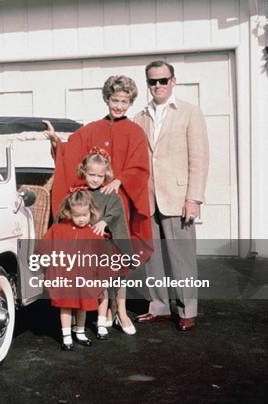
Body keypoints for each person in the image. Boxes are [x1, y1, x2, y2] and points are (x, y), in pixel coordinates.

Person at [133, 60, 209, 331]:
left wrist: (194, 198)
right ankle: (159, 307)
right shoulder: (139, 117)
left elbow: (199, 159)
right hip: (148, 198)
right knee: (152, 257)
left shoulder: (189, 112)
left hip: (178, 198)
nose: (157, 86)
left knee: (182, 256)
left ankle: (187, 309)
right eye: (152, 81)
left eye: (162, 81)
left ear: (173, 81)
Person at [44, 75, 152, 257]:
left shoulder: (136, 133)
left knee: (114, 248)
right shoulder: (91, 129)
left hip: (118, 197)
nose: (119, 106)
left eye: (124, 102)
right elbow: (70, 152)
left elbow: (140, 167)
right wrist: (56, 142)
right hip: (91, 200)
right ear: (107, 99)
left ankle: (117, 282)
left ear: (130, 103)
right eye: (114, 100)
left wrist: (120, 180)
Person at [73, 149, 137, 338]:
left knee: (117, 276)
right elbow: (70, 213)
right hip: (88, 247)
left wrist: (105, 221)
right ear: (84, 172)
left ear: (106, 175)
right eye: (91, 174)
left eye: (100, 176)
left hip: (107, 244)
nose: (95, 179)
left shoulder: (109, 193)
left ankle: (121, 313)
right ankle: (103, 313)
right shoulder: (80, 194)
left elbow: (117, 211)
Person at [42, 188, 104, 351]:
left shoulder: (93, 232)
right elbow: (44, 246)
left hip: (85, 276)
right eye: (77, 216)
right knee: (66, 305)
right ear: (69, 212)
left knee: (82, 306)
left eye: (85, 215)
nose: (82, 219)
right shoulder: (58, 229)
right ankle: (66, 335)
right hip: (65, 275)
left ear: (91, 211)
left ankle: (80, 331)